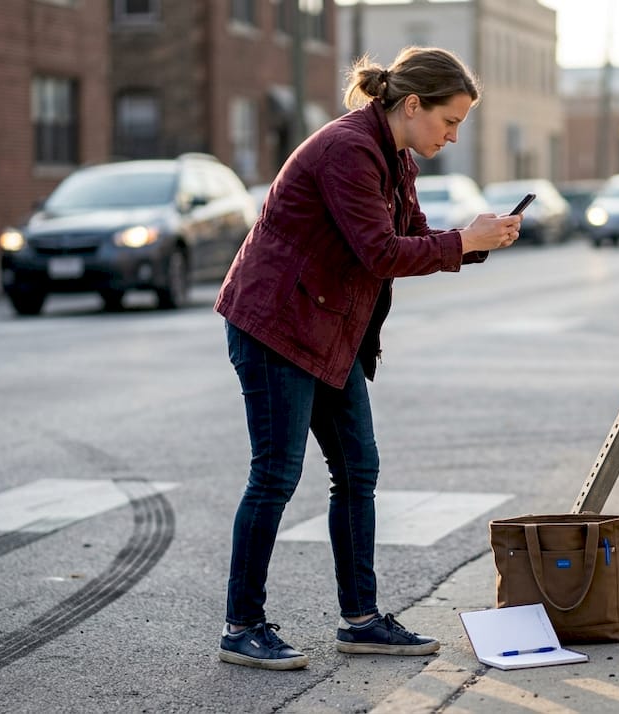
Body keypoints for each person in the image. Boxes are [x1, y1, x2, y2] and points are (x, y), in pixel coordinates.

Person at [213, 46, 522, 671]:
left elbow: (411, 238)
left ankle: (361, 621)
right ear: (412, 105)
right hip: (276, 324)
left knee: (358, 469)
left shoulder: (394, 157)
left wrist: (475, 240)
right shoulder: (348, 150)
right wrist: (464, 240)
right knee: (275, 475)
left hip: (328, 330)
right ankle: (241, 627)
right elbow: (380, 253)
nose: (453, 136)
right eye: (449, 121)